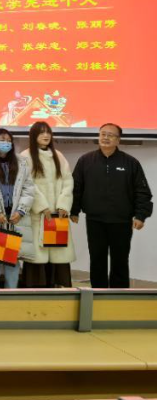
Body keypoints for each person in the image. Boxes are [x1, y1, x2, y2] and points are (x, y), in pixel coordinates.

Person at [71, 123, 153, 288]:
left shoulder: (130, 163)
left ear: (118, 140)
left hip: (121, 221)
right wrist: (74, 210)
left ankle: (119, 295)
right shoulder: (85, 161)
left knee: (120, 261)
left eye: (110, 135)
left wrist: (141, 215)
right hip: (95, 220)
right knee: (97, 260)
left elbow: (142, 191)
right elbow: (76, 188)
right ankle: (97, 294)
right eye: (103, 134)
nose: (106, 138)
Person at [19, 121, 75, 288]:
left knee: (58, 253)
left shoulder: (58, 155)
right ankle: (36, 290)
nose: (45, 135)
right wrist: (42, 206)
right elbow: (26, 184)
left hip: (58, 215)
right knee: (37, 255)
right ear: (33, 136)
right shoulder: (25, 156)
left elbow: (68, 180)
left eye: (48, 132)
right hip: (38, 215)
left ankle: (58, 288)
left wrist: (63, 204)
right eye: (41, 132)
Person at [0, 128, 36, 289]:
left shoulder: (21, 162)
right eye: (2, 140)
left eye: (8, 140)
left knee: (13, 261)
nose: (6, 143)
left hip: (15, 218)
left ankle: (12, 296)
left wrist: (21, 210)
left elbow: (29, 189)